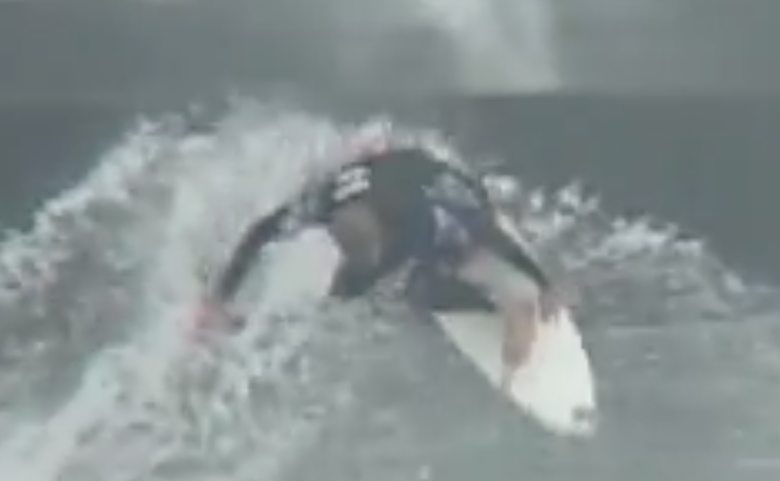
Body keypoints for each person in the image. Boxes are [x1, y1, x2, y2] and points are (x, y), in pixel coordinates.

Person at [191, 137, 562, 384]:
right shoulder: (327, 201)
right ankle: (241, 318)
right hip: (378, 175)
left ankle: (513, 308)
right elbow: (264, 230)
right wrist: (220, 298)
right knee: (345, 291)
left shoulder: (425, 215)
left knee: (426, 285)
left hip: (436, 183)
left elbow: (492, 234)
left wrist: (541, 283)